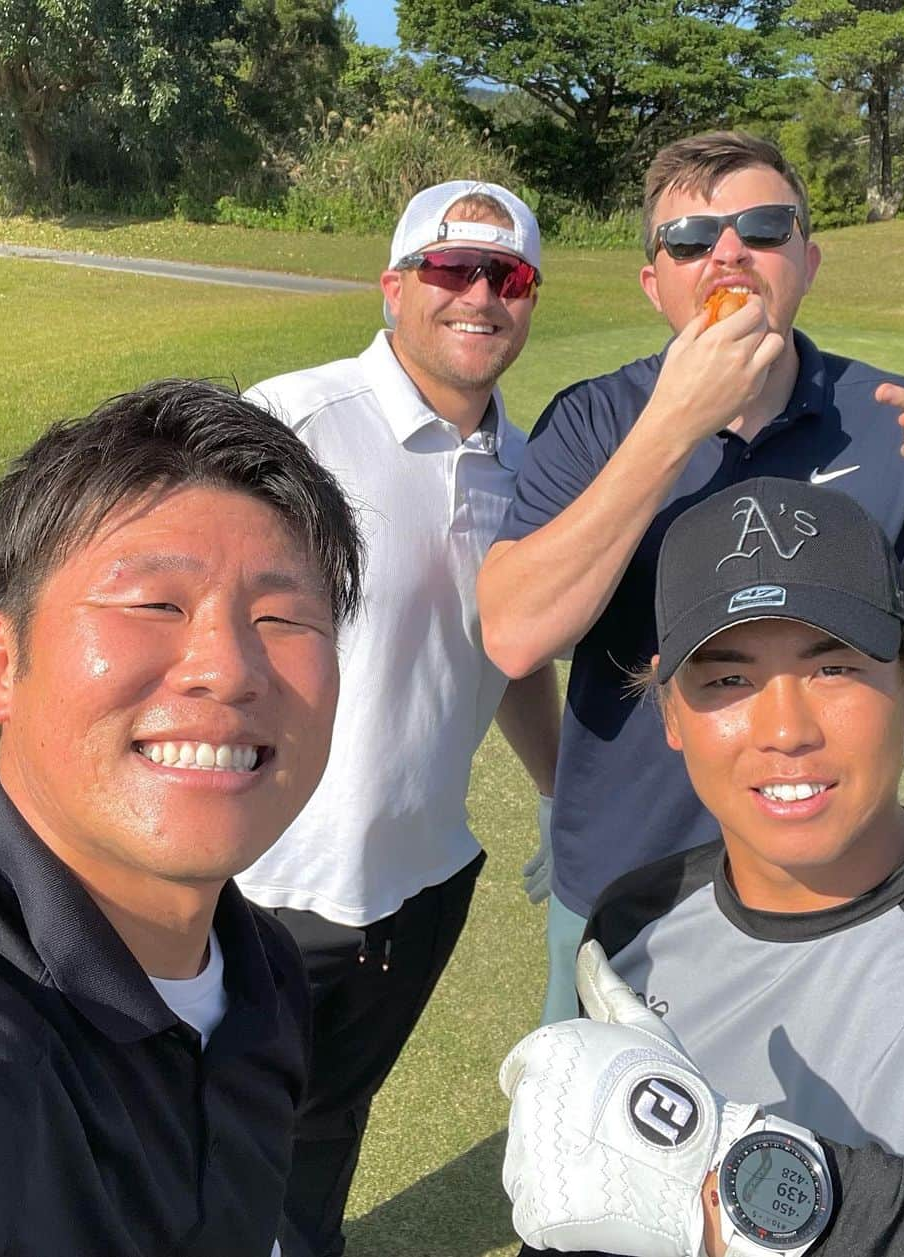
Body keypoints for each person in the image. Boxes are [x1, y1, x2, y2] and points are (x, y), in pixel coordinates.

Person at [477, 129, 904, 1023]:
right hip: (621, 880)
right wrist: (673, 426)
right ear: (655, 282)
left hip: (836, 887)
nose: (725, 252)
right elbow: (517, 632)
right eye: (688, 239)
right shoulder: (595, 419)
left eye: (762, 226)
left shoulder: (895, 422)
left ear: (807, 258)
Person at [0, 379, 364, 1255]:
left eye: (283, 617)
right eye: (156, 603)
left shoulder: (262, 973)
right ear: (1, 667)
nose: (229, 668)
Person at [500, 477, 904, 1257]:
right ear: (669, 708)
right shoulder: (636, 922)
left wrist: (740, 1181)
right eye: (729, 678)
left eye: (832, 669)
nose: (785, 729)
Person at [234, 180, 561, 1257]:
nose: (479, 296)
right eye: (449, 269)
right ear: (394, 286)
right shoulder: (292, 419)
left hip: (418, 886)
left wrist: (563, 796)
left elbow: (508, 653)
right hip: (259, 886)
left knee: (327, 1132)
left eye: (505, 276)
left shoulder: (526, 472)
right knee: (206, 1148)